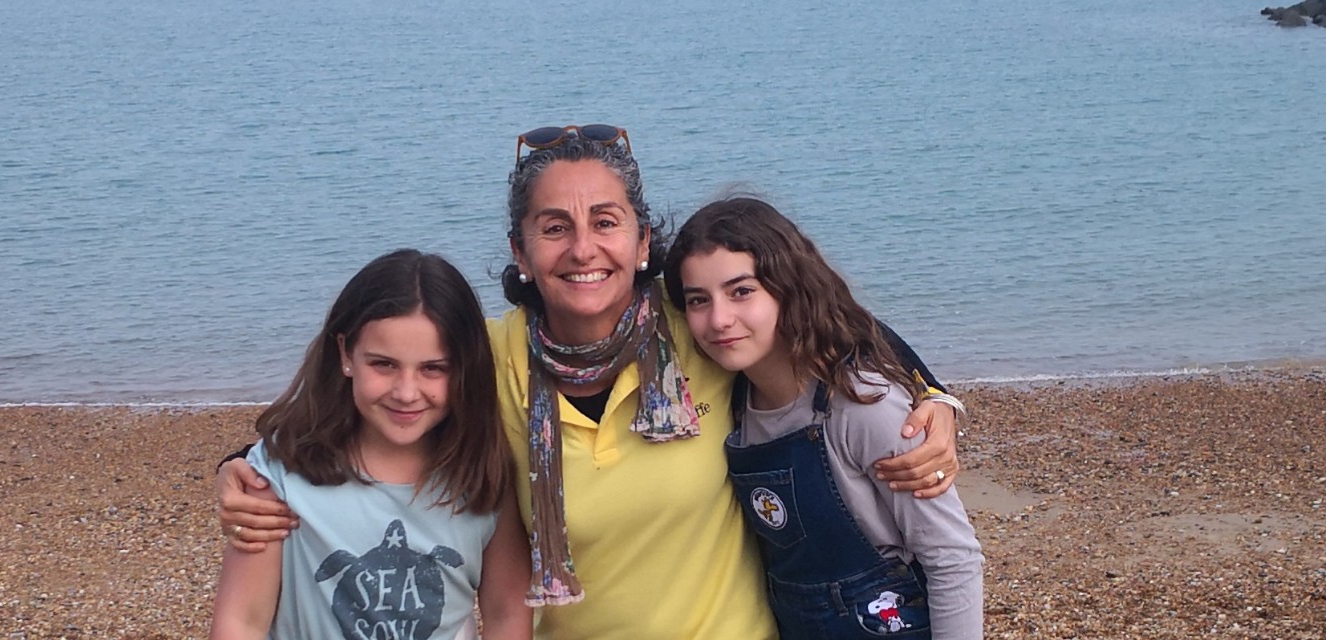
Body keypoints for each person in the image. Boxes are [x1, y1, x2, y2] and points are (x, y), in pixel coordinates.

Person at [216, 125, 965, 639]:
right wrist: (245, 467)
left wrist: (934, 398)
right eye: (554, 228)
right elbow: (379, 407)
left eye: (606, 222)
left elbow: (826, 320)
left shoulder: (698, 323)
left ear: (641, 242)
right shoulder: (487, 359)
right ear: (520, 252)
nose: (583, 249)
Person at [664, 196, 983, 639]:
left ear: (788, 288)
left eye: (742, 291)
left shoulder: (863, 405)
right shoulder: (732, 400)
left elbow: (953, 559)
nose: (719, 319)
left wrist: (941, 399)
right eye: (698, 300)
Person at [209, 249, 531, 640]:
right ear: (346, 353)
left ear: (465, 368)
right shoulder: (279, 479)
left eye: (433, 368)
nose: (406, 393)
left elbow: (506, 614)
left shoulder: (484, 476)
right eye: (383, 364)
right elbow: (241, 621)